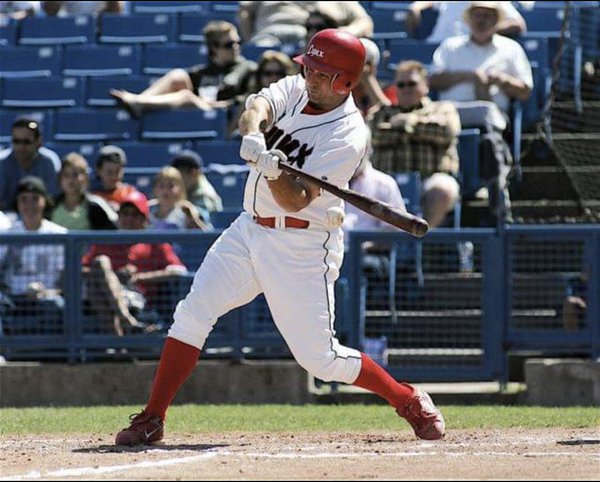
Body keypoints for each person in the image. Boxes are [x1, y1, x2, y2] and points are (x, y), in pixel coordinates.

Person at [114, 28, 445, 446]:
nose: (310, 77)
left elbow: (296, 200)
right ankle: (153, 417)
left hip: (302, 244)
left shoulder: (348, 135)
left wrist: (274, 171)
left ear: (345, 81)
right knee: (192, 314)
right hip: (248, 228)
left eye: (322, 73)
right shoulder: (297, 85)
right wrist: (254, 134)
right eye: (309, 67)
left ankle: (408, 399)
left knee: (320, 359)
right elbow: (257, 106)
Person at [429, 1, 533, 226]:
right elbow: (432, 80)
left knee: (489, 139)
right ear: (470, 19)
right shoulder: (450, 46)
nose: (482, 20)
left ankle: (496, 195)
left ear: (496, 20)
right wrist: (469, 76)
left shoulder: (511, 48)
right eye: (478, 15)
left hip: (494, 118)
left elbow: (525, 91)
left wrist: (503, 80)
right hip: (449, 117)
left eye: (487, 16)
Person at [370, 60, 461, 229]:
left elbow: (446, 132)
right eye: (401, 85)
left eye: (412, 84)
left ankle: (419, 236)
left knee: (443, 189)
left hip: (429, 179)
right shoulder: (381, 112)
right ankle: (374, 247)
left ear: (425, 85)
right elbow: (375, 136)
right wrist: (419, 130)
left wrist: (407, 123)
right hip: (388, 182)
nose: (406, 89)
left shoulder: (442, 108)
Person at [82, 191, 187, 336]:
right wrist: (110, 277)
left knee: (99, 279)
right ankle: (124, 320)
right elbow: (82, 268)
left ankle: (118, 342)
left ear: (145, 219)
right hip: (107, 298)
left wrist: (138, 277)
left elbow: (178, 270)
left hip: (139, 301)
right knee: (101, 264)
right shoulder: (105, 241)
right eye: (125, 214)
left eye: (135, 215)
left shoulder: (155, 243)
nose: (129, 219)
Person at [109, 21, 256, 118]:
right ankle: (140, 100)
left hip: (223, 115)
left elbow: (246, 100)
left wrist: (215, 105)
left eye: (238, 42)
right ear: (214, 47)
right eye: (229, 44)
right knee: (178, 75)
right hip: (198, 112)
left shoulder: (247, 68)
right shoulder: (203, 72)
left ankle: (138, 103)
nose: (236, 47)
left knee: (186, 96)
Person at [0, 177, 66, 335]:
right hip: (13, 297)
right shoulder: (7, 235)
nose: (29, 205)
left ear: (44, 201)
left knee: (55, 304)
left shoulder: (59, 234)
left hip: (46, 297)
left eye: (35, 199)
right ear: (17, 202)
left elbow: (66, 278)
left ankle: (49, 356)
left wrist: (50, 292)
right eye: (24, 199)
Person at [0, 118, 60, 213]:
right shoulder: (2, 161)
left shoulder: (49, 161)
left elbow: (53, 199)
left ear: (38, 142)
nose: (21, 146)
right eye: (16, 141)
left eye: (26, 142)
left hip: (42, 218)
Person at [50, 152, 118, 230]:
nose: (70, 180)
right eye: (66, 175)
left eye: (75, 175)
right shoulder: (50, 206)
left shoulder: (96, 205)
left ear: (85, 178)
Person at [407, 1, 527, 42]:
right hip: (436, 46)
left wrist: (485, 30)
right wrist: (415, 7)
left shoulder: (491, 3)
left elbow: (517, 24)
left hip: (470, 50)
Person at [148, 166, 210, 231]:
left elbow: (204, 234)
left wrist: (193, 219)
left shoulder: (186, 212)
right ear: (155, 189)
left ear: (180, 189)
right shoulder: (148, 210)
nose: (165, 190)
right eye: (161, 186)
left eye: (171, 186)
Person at [170, 150, 223, 223]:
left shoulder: (205, 194)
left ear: (194, 173)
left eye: (180, 174)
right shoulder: (190, 188)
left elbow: (204, 223)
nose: (177, 179)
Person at [91, 145, 139, 212]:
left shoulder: (130, 193)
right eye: (109, 172)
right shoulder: (93, 197)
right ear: (99, 171)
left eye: (117, 171)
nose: (114, 176)